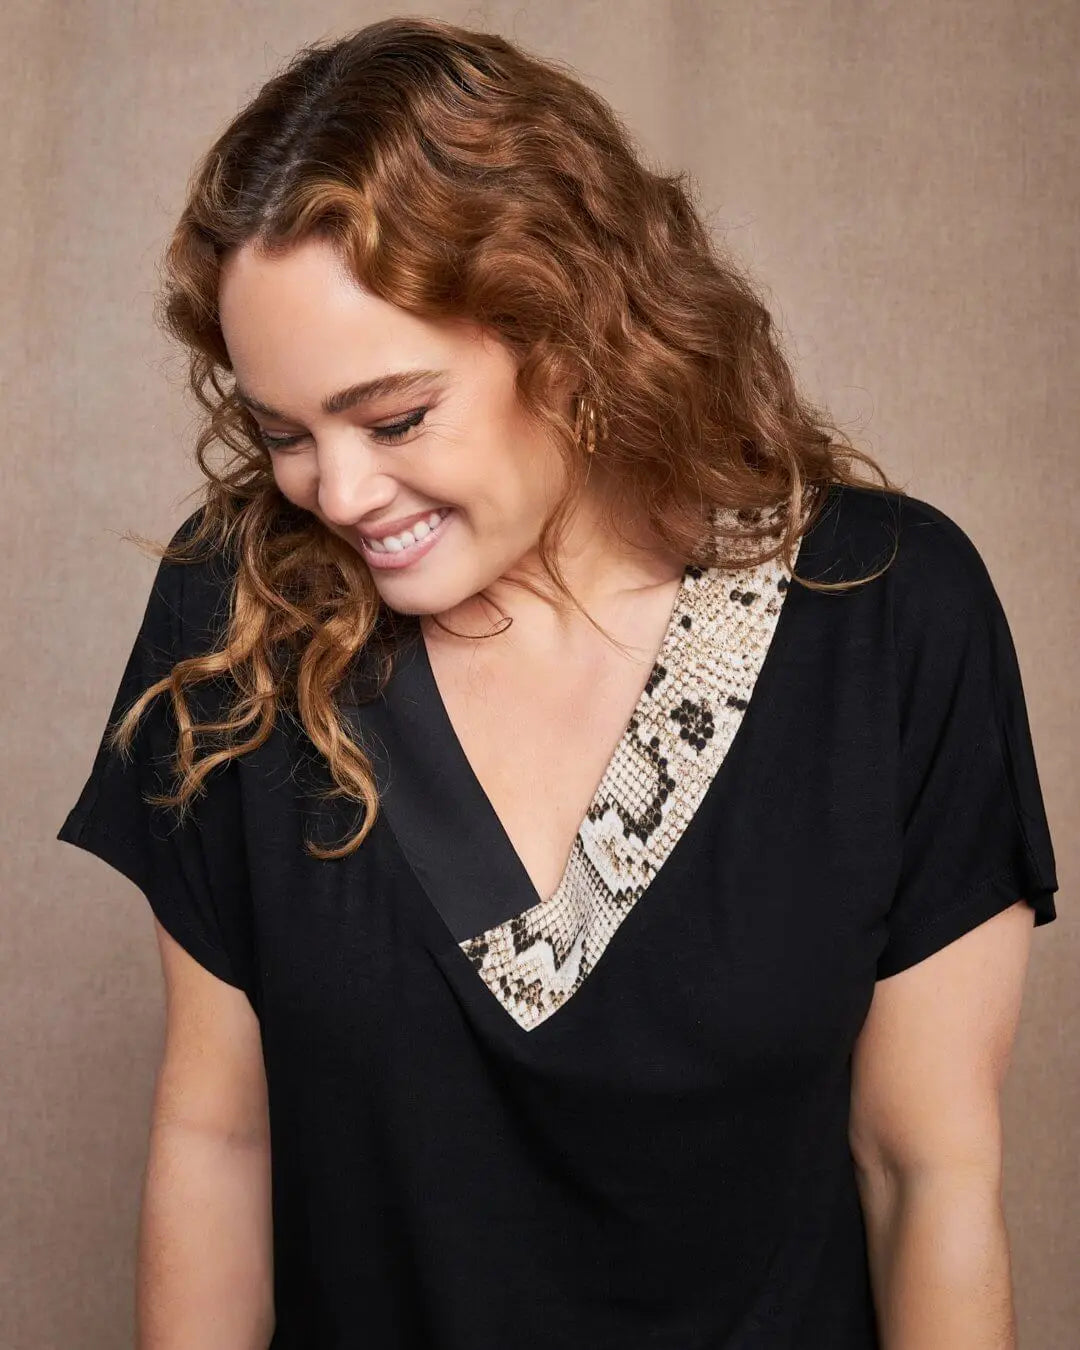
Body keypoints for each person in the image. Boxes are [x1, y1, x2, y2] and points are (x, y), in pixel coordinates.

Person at [56, 16, 1060, 1350]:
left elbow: (927, 1174)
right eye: (285, 431)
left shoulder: (891, 619)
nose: (338, 494)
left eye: (395, 417)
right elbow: (218, 1138)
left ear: (572, 332)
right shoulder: (238, 617)